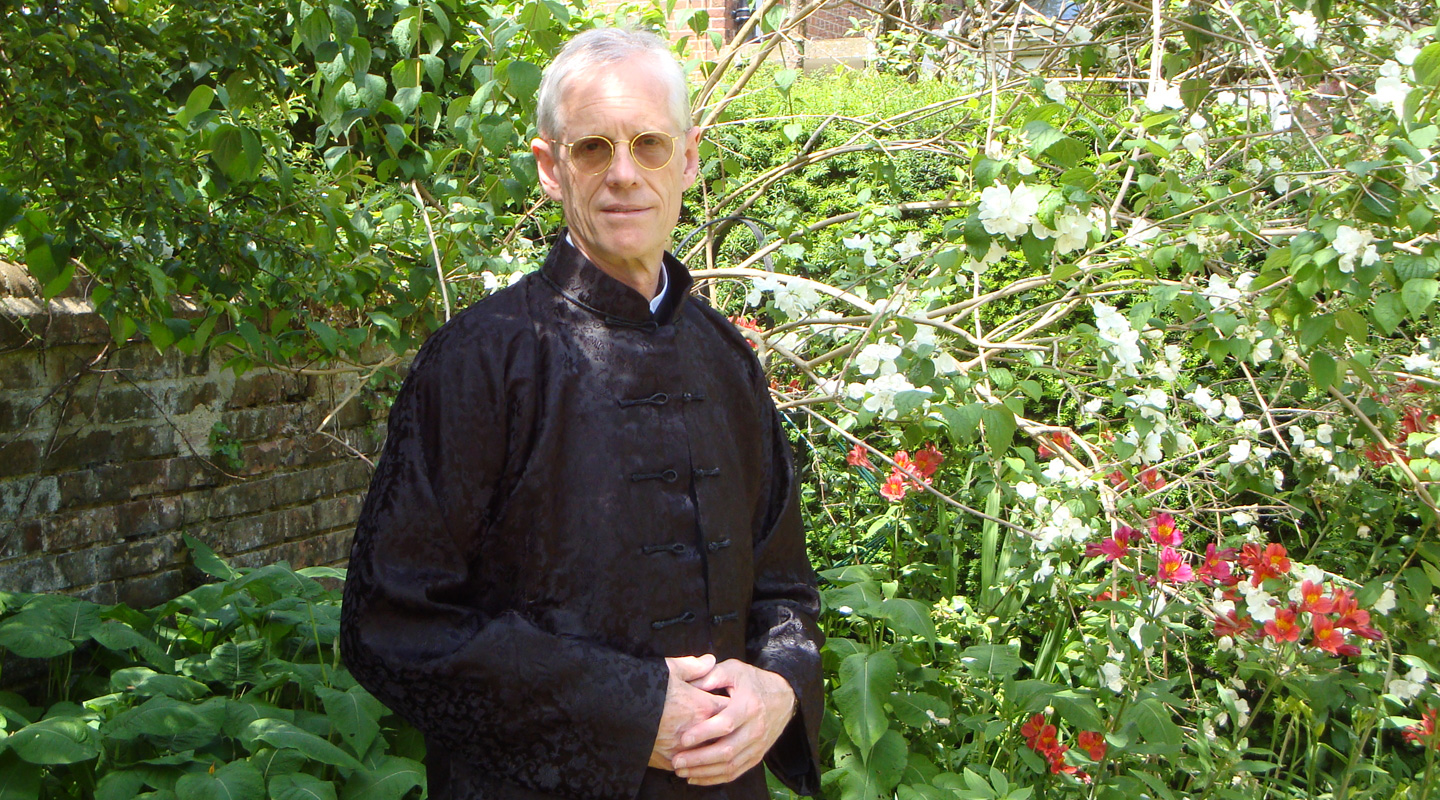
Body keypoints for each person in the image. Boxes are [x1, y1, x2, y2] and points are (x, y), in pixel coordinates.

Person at [339, 26, 823, 800]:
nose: (623, 174)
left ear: (690, 157)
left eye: (650, 145)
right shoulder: (480, 359)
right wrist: (628, 709)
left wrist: (779, 688)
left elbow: (785, 591)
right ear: (550, 168)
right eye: (594, 148)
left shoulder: (727, 358)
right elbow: (392, 623)